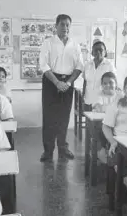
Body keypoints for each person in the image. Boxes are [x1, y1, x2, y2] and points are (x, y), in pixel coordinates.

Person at [39, 14, 84, 162]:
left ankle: (63, 148)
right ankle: (48, 151)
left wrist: (69, 82)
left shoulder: (75, 45)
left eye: (67, 25)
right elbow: (43, 65)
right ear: (56, 26)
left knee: (64, 117)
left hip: (68, 82)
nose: (65, 27)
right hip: (51, 81)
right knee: (50, 117)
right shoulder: (48, 43)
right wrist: (56, 82)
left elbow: (79, 67)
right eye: (62, 24)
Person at [82, 41, 117, 111]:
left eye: (100, 50)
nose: (98, 52)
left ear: (105, 52)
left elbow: (114, 83)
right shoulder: (87, 65)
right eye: (95, 50)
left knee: (101, 121)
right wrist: (83, 96)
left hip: (102, 102)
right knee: (88, 120)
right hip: (88, 100)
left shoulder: (109, 65)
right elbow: (85, 82)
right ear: (92, 52)